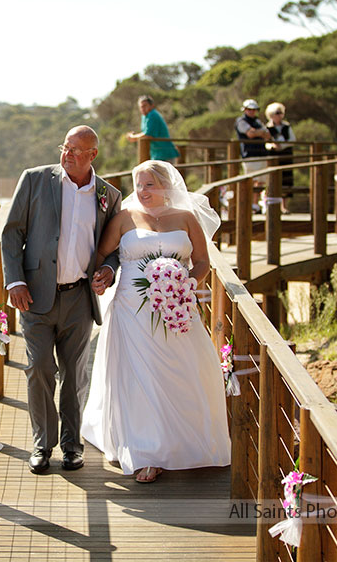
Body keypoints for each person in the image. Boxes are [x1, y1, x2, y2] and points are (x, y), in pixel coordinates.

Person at [81, 160, 231, 484]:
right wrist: (106, 273)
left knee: (179, 372)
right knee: (140, 378)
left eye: (150, 184)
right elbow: (104, 256)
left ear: (166, 186)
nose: (142, 191)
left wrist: (185, 283)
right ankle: (146, 452)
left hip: (176, 310)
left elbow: (202, 262)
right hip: (131, 311)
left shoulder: (186, 218)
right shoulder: (123, 219)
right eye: (138, 185)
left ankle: (185, 441)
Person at [2, 125, 122, 475]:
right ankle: (42, 444)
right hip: (35, 296)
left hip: (79, 299)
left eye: (74, 150)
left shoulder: (108, 196)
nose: (66, 154)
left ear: (92, 155)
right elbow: (12, 234)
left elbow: (113, 249)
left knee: (75, 375)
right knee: (39, 368)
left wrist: (109, 271)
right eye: (64, 147)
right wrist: (16, 281)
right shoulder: (35, 180)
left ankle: (72, 446)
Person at [235, 99, 271, 209]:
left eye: (254, 110)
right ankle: (248, 204)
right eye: (249, 110)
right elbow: (250, 134)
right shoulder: (241, 121)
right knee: (251, 181)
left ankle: (255, 204)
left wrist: (257, 133)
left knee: (260, 182)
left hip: (261, 154)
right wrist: (260, 133)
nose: (252, 112)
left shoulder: (258, 121)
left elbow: (268, 135)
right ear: (245, 110)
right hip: (249, 155)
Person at [127, 95, 180, 163]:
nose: (143, 108)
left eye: (145, 106)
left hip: (164, 154)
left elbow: (148, 135)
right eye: (141, 107)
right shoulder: (145, 116)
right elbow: (146, 133)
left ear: (151, 105)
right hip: (157, 154)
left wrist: (133, 137)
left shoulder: (152, 115)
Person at [265, 102, 297, 214]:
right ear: (271, 115)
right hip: (273, 156)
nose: (279, 115)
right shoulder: (267, 128)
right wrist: (273, 146)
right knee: (272, 179)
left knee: (286, 180)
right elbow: (264, 142)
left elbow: (292, 140)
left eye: (281, 113)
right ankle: (271, 206)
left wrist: (281, 146)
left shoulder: (286, 127)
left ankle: (284, 206)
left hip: (286, 156)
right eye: (277, 113)